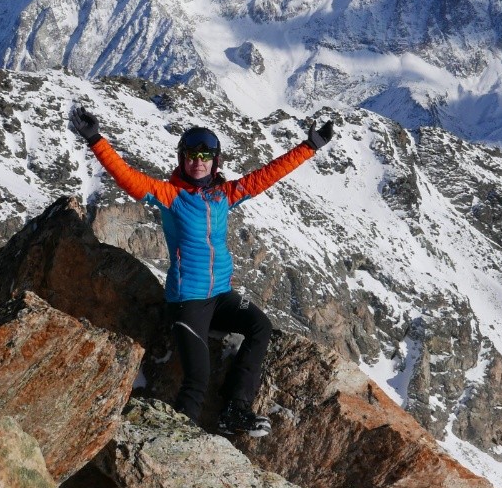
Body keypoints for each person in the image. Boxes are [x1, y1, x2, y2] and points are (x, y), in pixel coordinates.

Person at [68, 106, 333, 436]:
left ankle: (235, 410)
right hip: (188, 302)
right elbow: (129, 180)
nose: (198, 161)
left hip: (221, 295)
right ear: (182, 159)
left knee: (259, 327)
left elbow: (267, 175)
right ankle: (176, 445)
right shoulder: (171, 196)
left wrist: (309, 147)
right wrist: (95, 139)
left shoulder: (224, 195)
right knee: (197, 379)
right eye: (191, 154)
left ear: (215, 161)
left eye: (205, 155)